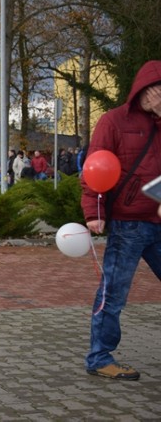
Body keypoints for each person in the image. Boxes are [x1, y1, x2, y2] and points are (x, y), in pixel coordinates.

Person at [81, 60, 161, 381]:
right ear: (149, 90)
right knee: (113, 292)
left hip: (157, 219)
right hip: (128, 224)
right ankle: (99, 357)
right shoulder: (114, 121)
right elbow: (95, 168)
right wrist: (93, 213)